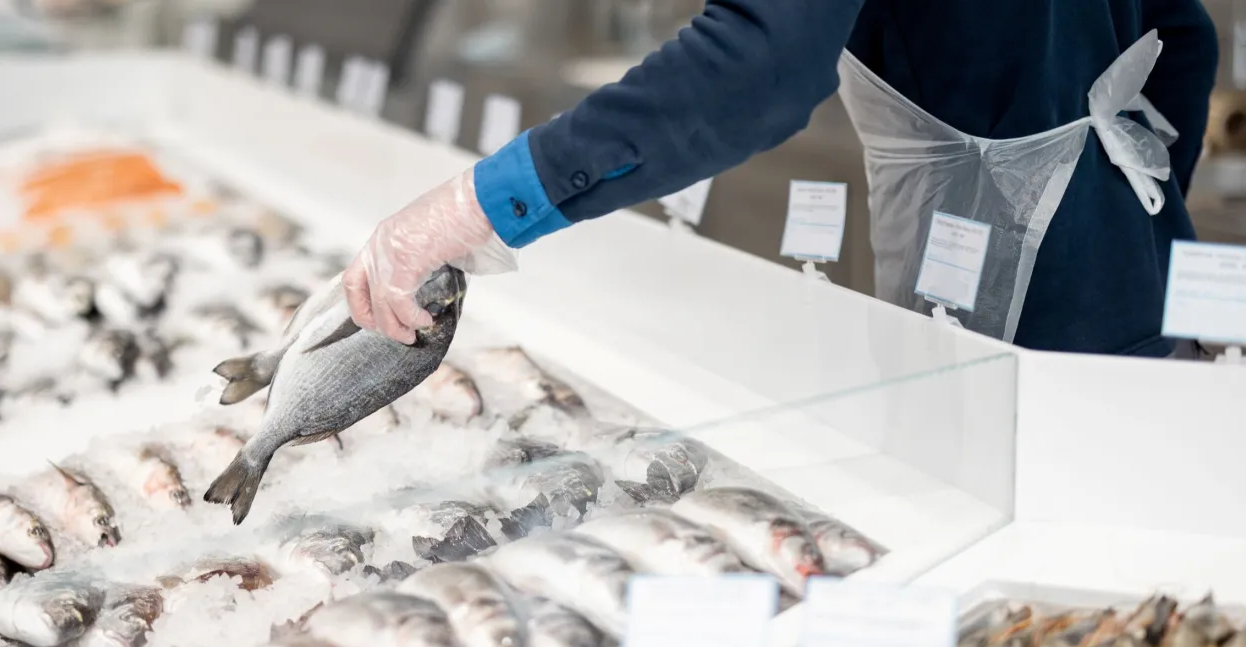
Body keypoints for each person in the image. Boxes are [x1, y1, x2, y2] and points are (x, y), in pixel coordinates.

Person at [342, 0, 1218, 357]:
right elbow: (1185, 35)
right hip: (1137, 250)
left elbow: (751, 73)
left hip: (1018, 286)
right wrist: (1134, 212)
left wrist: (481, 205)